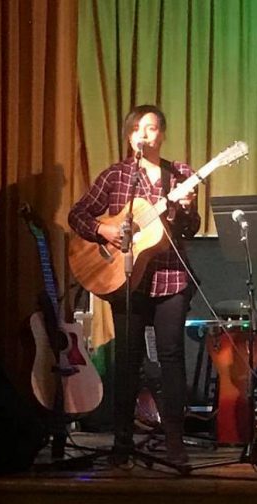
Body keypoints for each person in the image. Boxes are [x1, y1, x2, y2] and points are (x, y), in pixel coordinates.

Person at [68, 104, 200, 464]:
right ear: (129, 137)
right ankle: (122, 442)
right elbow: (77, 214)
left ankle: (175, 441)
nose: (145, 134)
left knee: (172, 356)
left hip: (171, 276)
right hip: (125, 278)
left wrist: (187, 209)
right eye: (138, 129)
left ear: (163, 133)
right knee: (128, 359)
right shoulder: (115, 177)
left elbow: (191, 229)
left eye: (153, 127)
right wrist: (104, 229)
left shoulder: (181, 174)